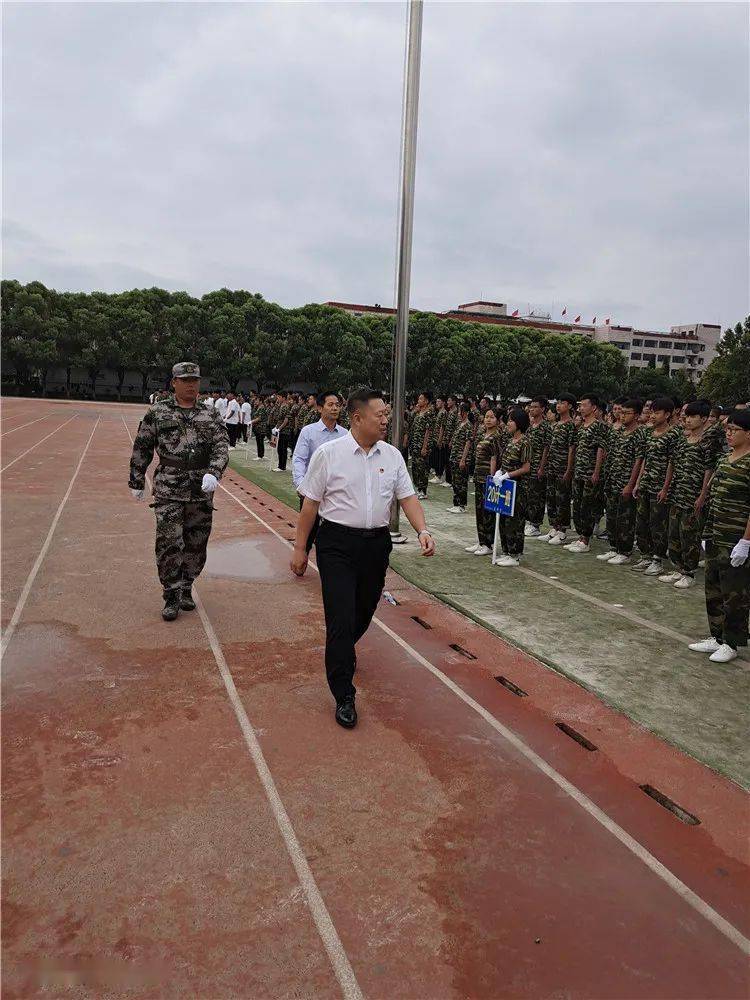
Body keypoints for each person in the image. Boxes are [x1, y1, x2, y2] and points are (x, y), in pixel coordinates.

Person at [291, 389, 435, 729]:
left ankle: (340, 649)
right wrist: (300, 549)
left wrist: (423, 530)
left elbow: (408, 497)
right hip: (336, 544)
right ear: (357, 419)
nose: (386, 420)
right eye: (379, 415)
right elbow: (310, 506)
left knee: (364, 610)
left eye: (387, 415)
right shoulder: (328, 454)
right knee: (340, 617)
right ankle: (344, 693)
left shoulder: (393, 456)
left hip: (375, 545)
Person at [128, 362, 229, 621]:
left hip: (200, 490)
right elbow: (142, 446)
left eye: (194, 380)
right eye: (185, 380)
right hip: (169, 489)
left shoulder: (211, 415)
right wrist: (136, 480)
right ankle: (170, 594)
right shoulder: (158, 412)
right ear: (173, 383)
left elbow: (221, 447)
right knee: (168, 544)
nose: (191, 385)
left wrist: (214, 472)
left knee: (197, 543)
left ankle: (186, 586)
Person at [689, 410, 750, 664]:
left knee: (734, 593)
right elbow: (714, 498)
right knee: (713, 588)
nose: (728, 433)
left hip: (736, 538)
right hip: (715, 533)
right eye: (727, 429)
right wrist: (707, 532)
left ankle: (732, 642)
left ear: (748, 433)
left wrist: (746, 541)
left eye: (734, 430)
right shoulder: (726, 459)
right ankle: (716, 635)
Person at [664, 400, 714, 589]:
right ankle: (678, 567)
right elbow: (673, 464)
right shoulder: (681, 440)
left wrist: (703, 495)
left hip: (693, 496)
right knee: (674, 533)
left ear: (703, 419)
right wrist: (667, 487)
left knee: (690, 536)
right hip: (678, 493)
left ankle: (689, 572)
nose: (688, 420)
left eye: (693, 416)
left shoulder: (707, 442)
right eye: (687, 416)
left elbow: (709, 470)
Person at [291, 390, 347, 551]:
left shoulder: (345, 434)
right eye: (330, 405)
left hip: (336, 492)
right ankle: (301, 554)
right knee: (308, 529)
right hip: (312, 490)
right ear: (320, 408)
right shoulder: (308, 431)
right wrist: (301, 484)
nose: (335, 408)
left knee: (334, 531)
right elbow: (299, 459)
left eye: (337, 405)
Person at [632, 396, 681, 576]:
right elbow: (645, 459)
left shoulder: (674, 434)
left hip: (660, 486)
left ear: (667, 414)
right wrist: (638, 482)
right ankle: (645, 555)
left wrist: (666, 488)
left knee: (657, 524)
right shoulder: (647, 433)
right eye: (651, 412)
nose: (652, 416)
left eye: (657, 412)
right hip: (646, 483)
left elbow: (672, 463)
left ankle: (657, 559)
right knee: (642, 522)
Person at [597, 399, 644, 565]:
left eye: (627, 413)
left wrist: (631, 484)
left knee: (625, 518)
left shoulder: (639, 434)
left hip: (625, 481)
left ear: (637, 415)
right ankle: (614, 547)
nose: (622, 416)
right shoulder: (617, 432)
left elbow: (638, 461)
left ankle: (625, 550)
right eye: (621, 413)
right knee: (611, 516)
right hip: (613, 479)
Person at [566, 394, 608, 553]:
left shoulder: (598, 426)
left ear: (594, 407)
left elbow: (600, 449)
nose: (580, 408)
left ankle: (586, 539)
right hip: (579, 471)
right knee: (577, 505)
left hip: (590, 472)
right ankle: (580, 536)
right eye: (580, 405)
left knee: (587, 506)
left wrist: (596, 471)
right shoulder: (581, 426)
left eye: (584, 405)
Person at [491, 407, 531, 566]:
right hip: (506, 485)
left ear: (519, 423)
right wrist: (499, 472)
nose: (508, 423)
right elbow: (505, 462)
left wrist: (508, 475)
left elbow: (526, 468)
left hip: (518, 486)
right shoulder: (509, 440)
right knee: (504, 518)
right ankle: (507, 550)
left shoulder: (525, 441)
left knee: (515, 520)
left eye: (512, 420)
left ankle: (515, 554)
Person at [542, 393, 577, 545]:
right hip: (552, 467)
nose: (558, 405)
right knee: (552, 498)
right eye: (557, 402)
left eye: (562, 403)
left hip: (563, 467)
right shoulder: (555, 425)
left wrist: (569, 469)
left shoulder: (571, 425)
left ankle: (562, 531)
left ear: (569, 406)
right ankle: (554, 528)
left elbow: (571, 449)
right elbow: (549, 447)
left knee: (562, 499)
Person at [466, 407, 501, 556]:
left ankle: (489, 543)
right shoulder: (482, 434)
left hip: (487, 478)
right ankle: (481, 541)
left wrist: (491, 478)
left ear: (498, 420)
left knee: (488, 512)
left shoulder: (496, 436)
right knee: (479, 510)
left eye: (492, 417)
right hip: (478, 476)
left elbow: (494, 457)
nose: (488, 419)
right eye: (486, 417)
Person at [525, 396, 551, 537]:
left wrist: (542, 467)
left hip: (538, 466)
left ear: (542, 409)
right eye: (531, 406)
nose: (532, 409)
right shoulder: (530, 426)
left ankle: (535, 524)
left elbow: (546, 448)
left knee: (537, 495)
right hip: (529, 465)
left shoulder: (546, 426)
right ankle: (529, 521)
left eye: (535, 407)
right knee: (529, 494)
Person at [447, 402, 472, 513]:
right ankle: (456, 503)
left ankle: (461, 505)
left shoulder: (468, 426)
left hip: (461, 457)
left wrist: (463, 459)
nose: (458, 414)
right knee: (455, 481)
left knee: (461, 482)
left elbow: (468, 443)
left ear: (465, 412)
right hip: (454, 456)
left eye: (460, 411)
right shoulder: (460, 424)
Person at [409, 391, 434, 499]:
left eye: (421, 399)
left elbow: (428, 431)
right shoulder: (419, 412)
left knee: (422, 468)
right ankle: (418, 488)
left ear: (426, 401)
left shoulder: (429, 413)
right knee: (415, 467)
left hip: (422, 445)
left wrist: (424, 446)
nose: (419, 401)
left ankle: (423, 490)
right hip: (415, 444)